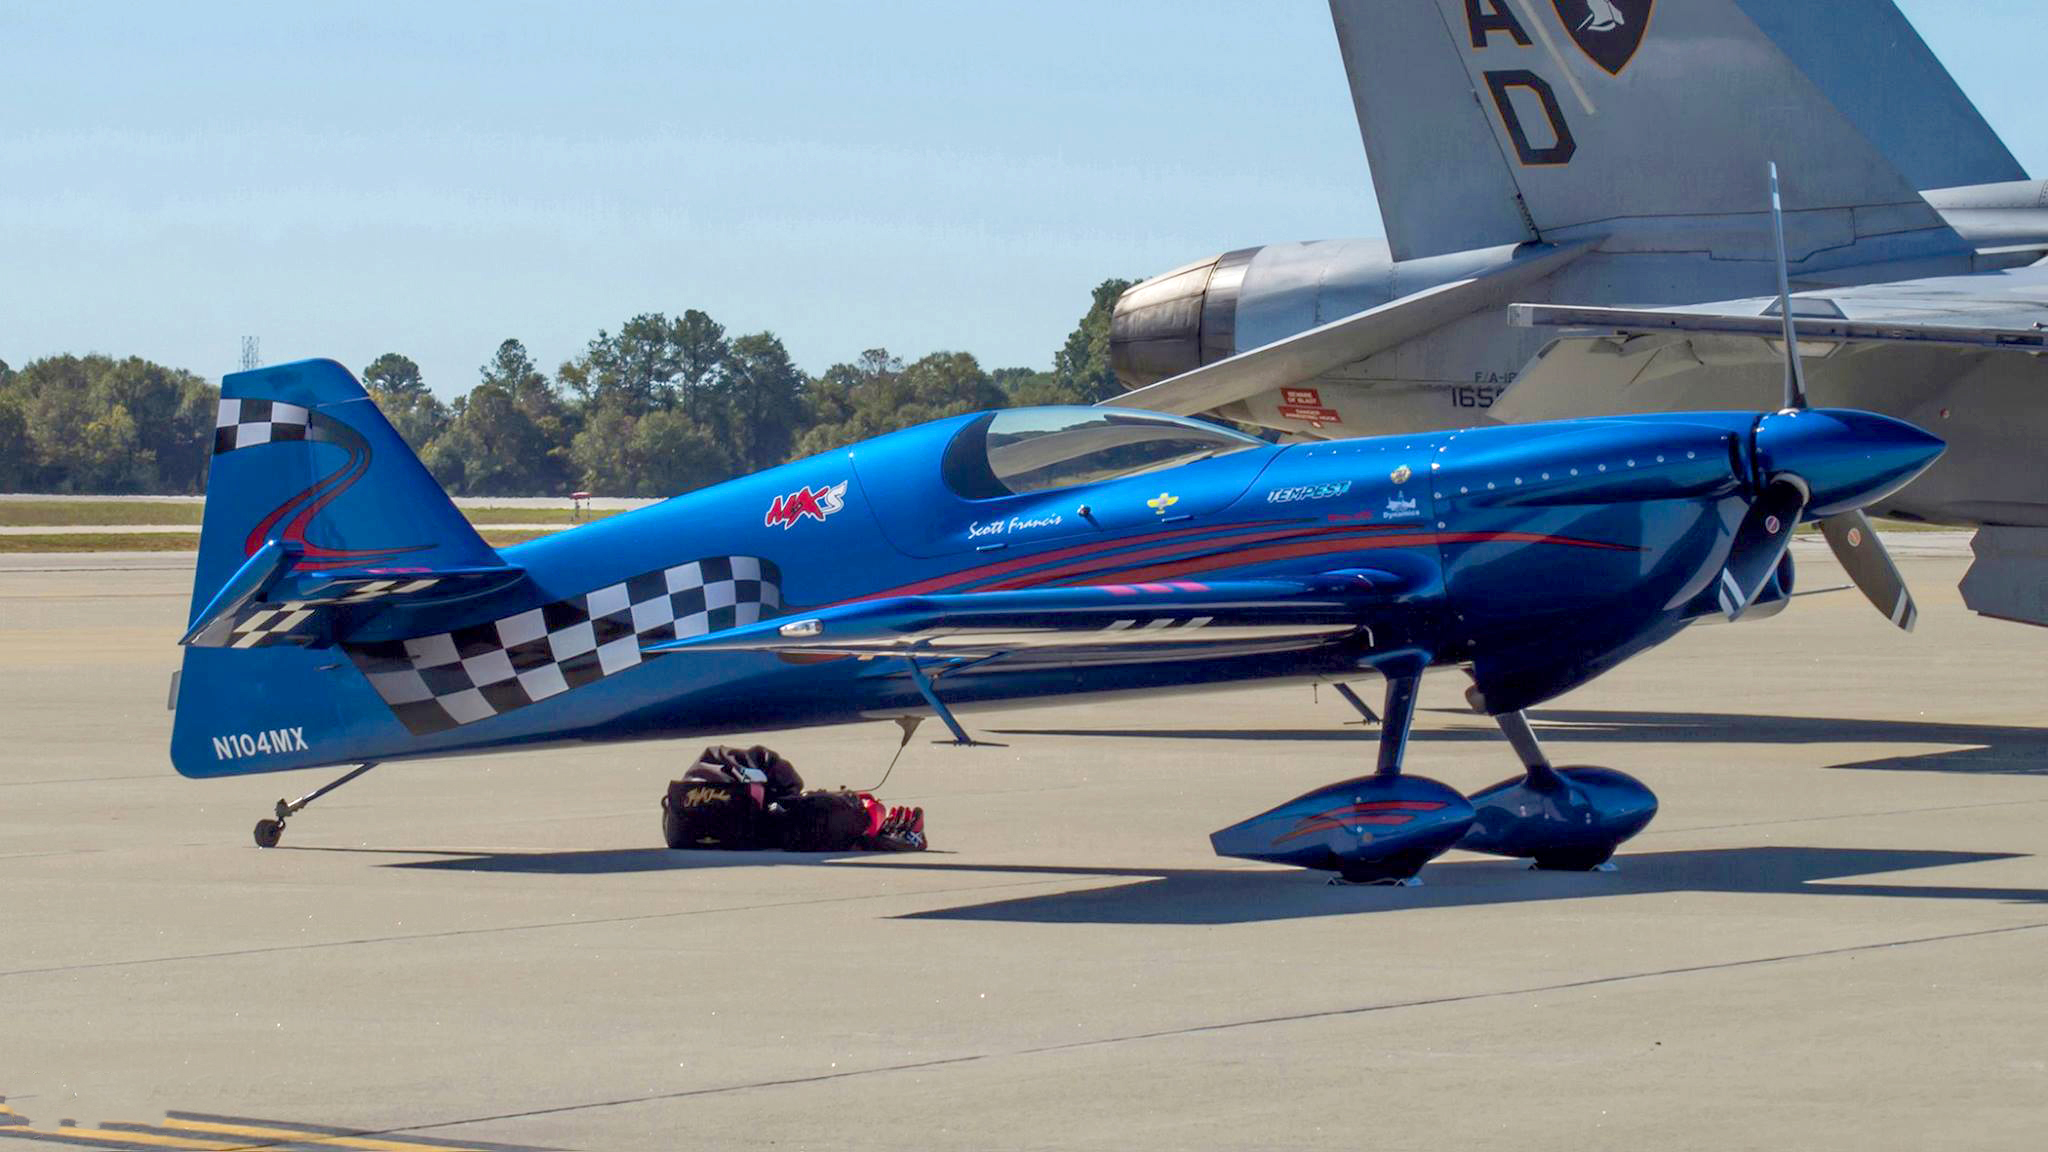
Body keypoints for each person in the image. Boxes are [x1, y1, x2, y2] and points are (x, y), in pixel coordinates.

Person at [661, 745, 926, 853]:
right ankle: (871, 822)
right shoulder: (792, 821)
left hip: (699, 825)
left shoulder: (677, 820)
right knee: (805, 817)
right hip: (769, 814)